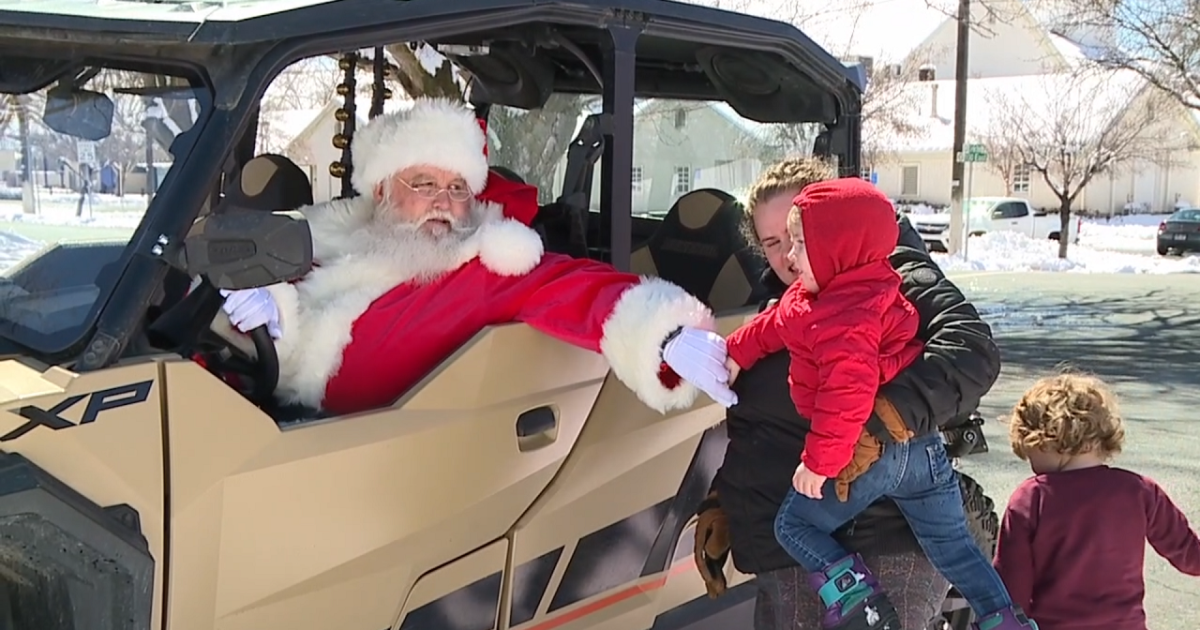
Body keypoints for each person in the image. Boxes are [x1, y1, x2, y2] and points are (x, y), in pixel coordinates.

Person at [213, 97, 736, 416]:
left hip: (391, 474)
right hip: (270, 430)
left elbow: (576, 287)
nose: (443, 201)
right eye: (423, 183)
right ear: (380, 192)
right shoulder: (323, 236)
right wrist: (265, 310)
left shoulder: (488, 264)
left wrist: (667, 334)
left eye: (458, 186)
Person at [692, 156, 1002, 630]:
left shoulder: (885, 275)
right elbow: (765, 423)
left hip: (880, 539)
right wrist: (726, 500)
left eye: (796, 233)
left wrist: (879, 425)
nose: (785, 256)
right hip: (790, 552)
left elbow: (971, 352)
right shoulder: (786, 304)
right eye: (772, 243)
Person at [995, 373, 1200, 630]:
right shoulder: (1139, 491)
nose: (1028, 460)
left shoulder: (1030, 498)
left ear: (1046, 439)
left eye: (1028, 448)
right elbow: (1190, 555)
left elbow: (1012, 586)